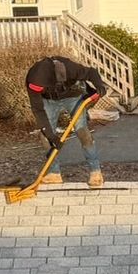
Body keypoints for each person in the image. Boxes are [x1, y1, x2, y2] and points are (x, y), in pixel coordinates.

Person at [23, 55, 107, 188]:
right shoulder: (32, 81)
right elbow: (38, 111)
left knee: (82, 131)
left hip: (72, 96)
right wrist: (51, 136)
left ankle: (95, 172)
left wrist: (99, 85)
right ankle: (54, 174)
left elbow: (91, 72)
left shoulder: (67, 68)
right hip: (49, 100)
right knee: (45, 136)